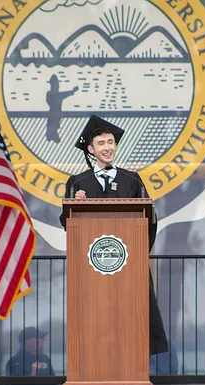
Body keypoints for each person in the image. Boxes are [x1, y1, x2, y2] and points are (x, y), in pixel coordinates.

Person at [59, 115, 169, 355]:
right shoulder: (78, 182)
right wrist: (76, 207)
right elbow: (67, 224)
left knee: (134, 315)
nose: (108, 147)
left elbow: (149, 219)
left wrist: (140, 253)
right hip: (91, 269)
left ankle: (134, 362)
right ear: (90, 149)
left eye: (111, 142)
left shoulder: (132, 179)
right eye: (101, 143)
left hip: (130, 266)